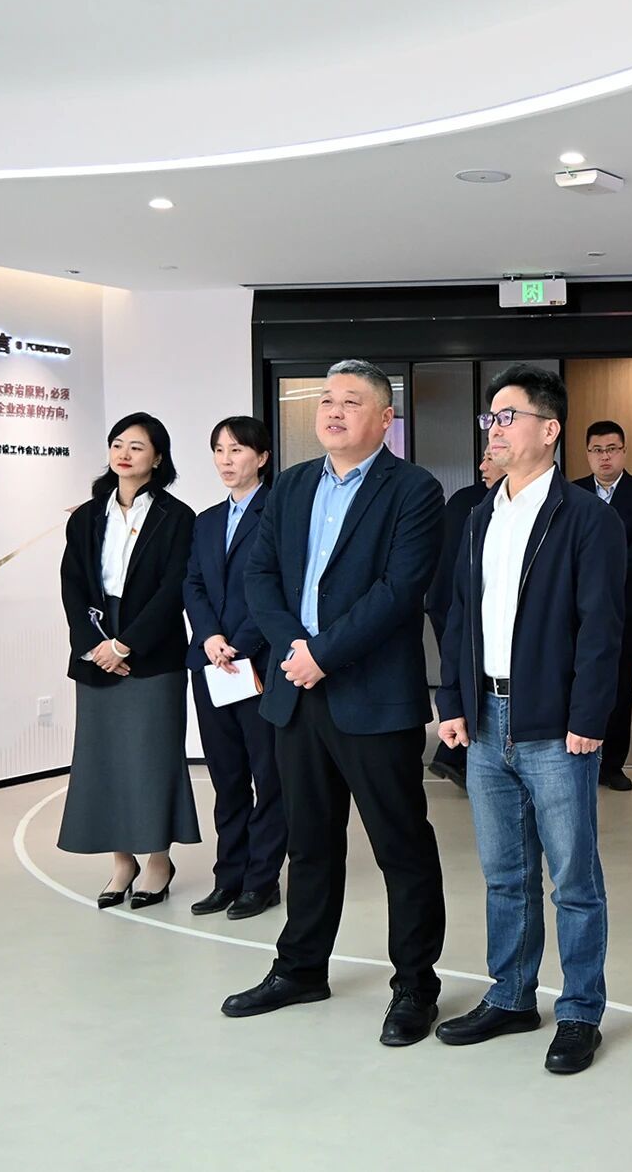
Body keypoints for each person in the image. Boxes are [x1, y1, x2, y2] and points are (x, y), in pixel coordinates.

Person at [221, 359, 449, 1053]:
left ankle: (415, 986)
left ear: (385, 419)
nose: (334, 411)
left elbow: (400, 589)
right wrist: (295, 649)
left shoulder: (413, 489)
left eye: (351, 401)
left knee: (400, 847)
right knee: (309, 843)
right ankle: (300, 969)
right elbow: (259, 574)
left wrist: (324, 653)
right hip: (297, 692)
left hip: (372, 697)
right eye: (326, 400)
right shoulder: (291, 486)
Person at [434, 367, 625, 1075]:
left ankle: (579, 1010)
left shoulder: (587, 519)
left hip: (553, 722)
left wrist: (588, 715)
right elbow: (457, 614)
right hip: (484, 717)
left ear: (549, 429)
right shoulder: (480, 515)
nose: (495, 428)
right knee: (504, 873)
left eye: (508, 415)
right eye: (491, 417)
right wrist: (452, 702)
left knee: (573, 879)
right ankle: (511, 995)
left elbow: (601, 627)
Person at [57, 412, 200, 907]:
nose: (124, 453)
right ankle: (122, 862)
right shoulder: (86, 516)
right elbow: (72, 585)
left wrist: (126, 645)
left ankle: (158, 859)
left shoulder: (177, 517)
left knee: (153, 756)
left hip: (152, 649)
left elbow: (174, 589)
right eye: (118, 444)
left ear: (157, 458)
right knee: (105, 758)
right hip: (96, 646)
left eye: (137, 447)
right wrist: (96, 645)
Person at [182, 415, 285, 920]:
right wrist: (210, 638)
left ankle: (262, 881)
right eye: (219, 450)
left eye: (237, 450)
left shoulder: (278, 514)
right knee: (226, 777)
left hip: (258, 663)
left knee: (268, 776)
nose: (226, 460)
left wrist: (238, 643)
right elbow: (193, 584)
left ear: (261, 457)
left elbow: (276, 588)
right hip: (211, 664)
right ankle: (229, 877)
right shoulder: (205, 521)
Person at [576, 420, 632, 792]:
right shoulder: (572, 491)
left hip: (627, 604)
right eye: (597, 450)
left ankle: (612, 765)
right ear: (588, 454)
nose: (604, 457)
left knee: (619, 685)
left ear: (623, 451)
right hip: (577, 608)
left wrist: (603, 568)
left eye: (611, 449)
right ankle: (578, 758)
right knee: (578, 682)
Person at [425, 451, 501, 790]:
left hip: (445, 604)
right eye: (484, 457)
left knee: (460, 675)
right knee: (469, 679)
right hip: (460, 608)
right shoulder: (477, 503)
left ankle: (451, 754)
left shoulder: (466, 499)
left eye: (489, 459)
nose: (483, 466)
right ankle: (457, 754)